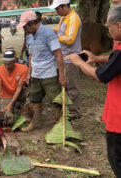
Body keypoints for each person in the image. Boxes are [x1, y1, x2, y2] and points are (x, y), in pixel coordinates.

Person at [65, 6, 121, 177]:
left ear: (119, 25)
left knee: (116, 159)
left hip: (119, 121)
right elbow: (115, 60)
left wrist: (79, 62)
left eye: (110, 27)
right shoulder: (117, 53)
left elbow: (100, 75)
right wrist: (98, 58)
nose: (109, 32)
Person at [17, 10, 66, 132]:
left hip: (49, 74)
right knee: (35, 99)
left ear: (32, 23)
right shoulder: (29, 36)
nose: (24, 30)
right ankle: (36, 122)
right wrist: (29, 74)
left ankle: (58, 125)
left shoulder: (48, 33)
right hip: (36, 74)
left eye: (25, 27)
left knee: (56, 100)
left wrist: (61, 75)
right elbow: (31, 56)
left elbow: (59, 54)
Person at [51, 0, 82, 120]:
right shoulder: (64, 17)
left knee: (72, 85)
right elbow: (58, 30)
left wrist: (55, 37)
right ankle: (68, 109)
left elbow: (69, 39)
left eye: (57, 8)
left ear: (64, 6)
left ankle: (74, 112)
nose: (56, 11)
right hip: (62, 57)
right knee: (65, 84)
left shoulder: (73, 18)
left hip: (71, 58)